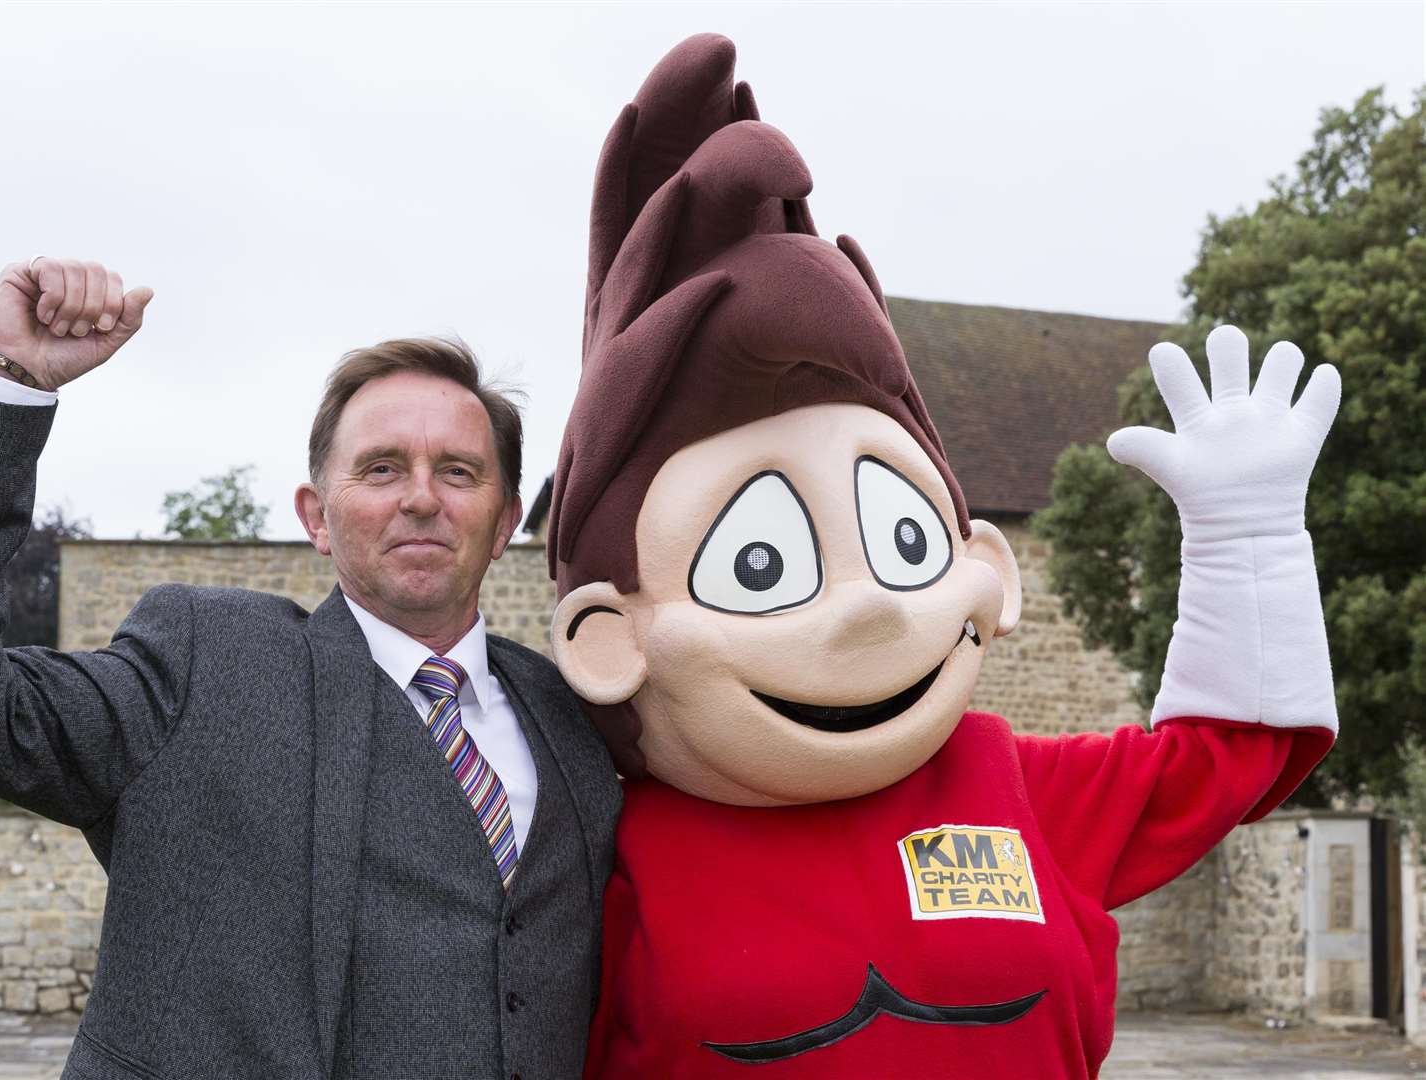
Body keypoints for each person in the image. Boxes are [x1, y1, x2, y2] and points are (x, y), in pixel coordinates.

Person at [543, 36, 1338, 1078]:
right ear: (609, 640)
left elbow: (1226, 760)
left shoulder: (1005, 782)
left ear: (988, 569)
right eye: (760, 561)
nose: (867, 607)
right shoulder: (598, 842)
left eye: (903, 540)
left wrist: (1247, 542)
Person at [0, 257, 620, 1080]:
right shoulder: (202, 665)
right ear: (316, 517)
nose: (422, 498)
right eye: (382, 467)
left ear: (505, 523)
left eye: (459, 471)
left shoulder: (575, 715)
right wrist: (8, 380)